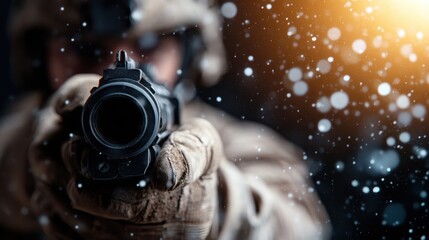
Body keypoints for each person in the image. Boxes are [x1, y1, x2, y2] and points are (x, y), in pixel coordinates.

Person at [0, 0, 331, 239]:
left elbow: (301, 225)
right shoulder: (20, 139)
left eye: (149, 45)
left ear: (189, 51)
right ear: (39, 56)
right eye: (85, 48)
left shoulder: (237, 143)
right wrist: (40, 165)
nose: (119, 67)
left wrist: (209, 205)